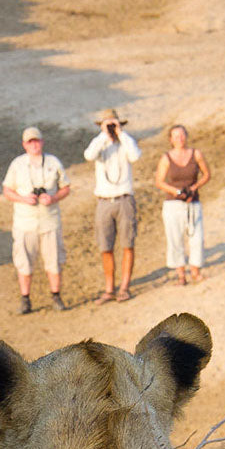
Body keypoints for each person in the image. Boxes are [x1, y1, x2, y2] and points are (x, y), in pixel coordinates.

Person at [2, 126, 71, 313]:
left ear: (42, 142)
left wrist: (53, 198)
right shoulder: (17, 165)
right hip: (25, 221)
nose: (34, 144)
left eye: (36, 140)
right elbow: (7, 190)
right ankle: (25, 299)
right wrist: (24, 199)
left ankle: (56, 296)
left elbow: (66, 187)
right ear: (24, 144)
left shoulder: (53, 162)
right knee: (24, 260)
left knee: (54, 259)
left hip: (49, 220)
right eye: (30, 141)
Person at [84, 108, 141, 303]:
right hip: (104, 200)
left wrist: (120, 133)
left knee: (127, 243)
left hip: (124, 198)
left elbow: (135, 156)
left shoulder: (126, 142)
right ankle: (109, 288)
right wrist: (103, 135)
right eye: (106, 123)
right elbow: (89, 155)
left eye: (113, 123)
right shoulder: (99, 144)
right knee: (105, 246)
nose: (110, 127)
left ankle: (124, 287)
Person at [154, 124, 211, 284]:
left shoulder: (196, 154)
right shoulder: (166, 158)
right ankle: (181, 274)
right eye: (176, 136)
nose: (179, 139)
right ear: (171, 140)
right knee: (175, 238)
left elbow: (206, 174)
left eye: (182, 135)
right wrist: (176, 191)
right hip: (173, 204)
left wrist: (194, 188)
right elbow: (159, 181)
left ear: (186, 136)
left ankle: (195, 271)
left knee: (196, 237)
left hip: (193, 201)